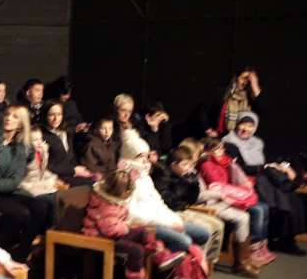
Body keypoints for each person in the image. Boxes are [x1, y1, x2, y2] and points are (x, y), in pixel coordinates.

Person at [115, 94, 210, 254]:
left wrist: (172, 220)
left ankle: (183, 261)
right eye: (141, 157)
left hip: (161, 219)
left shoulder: (144, 177)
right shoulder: (124, 180)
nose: (146, 161)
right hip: (144, 226)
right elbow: (133, 214)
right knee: (185, 241)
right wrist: (167, 223)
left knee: (202, 234)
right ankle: (166, 263)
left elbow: (158, 202)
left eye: (146, 157)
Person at [223, 113, 306, 255]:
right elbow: (239, 168)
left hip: (263, 178)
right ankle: (280, 241)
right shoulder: (229, 143)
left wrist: (281, 166)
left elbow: (267, 160)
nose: (246, 129)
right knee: (283, 199)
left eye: (250, 126)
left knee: (292, 199)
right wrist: (265, 167)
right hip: (246, 182)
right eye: (243, 124)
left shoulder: (257, 143)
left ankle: (287, 240)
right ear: (237, 125)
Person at [0, 106, 51, 262]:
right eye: (7, 114)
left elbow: (15, 181)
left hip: (9, 190)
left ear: (21, 124)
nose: (9, 118)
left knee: (42, 206)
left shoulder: (21, 147)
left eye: (15, 116)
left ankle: (21, 254)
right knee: (21, 214)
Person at [81, 170, 163, 279]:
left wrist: (126, 224)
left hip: (109, 233)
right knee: (136, 250)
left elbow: (117, 223)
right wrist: (126, 226)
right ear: (123, 192)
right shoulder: (108, 206)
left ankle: (159, 254)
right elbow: (110, 230)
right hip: (100, 238)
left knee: (142, 232)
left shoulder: (111, 199)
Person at [200, 137, 274, 267]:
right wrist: (236, 187)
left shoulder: (225, 161)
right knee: (257, 210)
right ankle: (253, 248)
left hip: (232, 195)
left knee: (264, 207)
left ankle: (262, 244)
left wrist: (242, 183)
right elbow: (218, 184)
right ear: (208, 151)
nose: (221, 151)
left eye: (222, 148)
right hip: (220, 200)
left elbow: (233, 179)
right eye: (217, 149)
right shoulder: (207, 164)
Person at [152, 148, 226, 267]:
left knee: (218, 225)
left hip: (185, 209)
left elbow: (191, 200)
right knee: (207, 228)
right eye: (184, 164)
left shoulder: (182, 175)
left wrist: (194, 185)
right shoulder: (163, 177)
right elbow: (168, 202)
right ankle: (197, 264)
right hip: (172, 212)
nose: (188, 168)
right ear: (173, 165)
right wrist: (182, 184)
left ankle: (208, 262)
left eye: (190, 164)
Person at [41, 100, 92, 186]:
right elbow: (47, 165)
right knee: (90, 185)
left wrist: (80, 170)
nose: (56, 119)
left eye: (59, 114)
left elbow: (70, 156)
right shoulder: (41, 135)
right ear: (45, 115)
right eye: (51, 115)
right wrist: (73, 170)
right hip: (55, 177)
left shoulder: (65, 131)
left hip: (71, 172)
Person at [207, 68, 263, 136]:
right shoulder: (224, 92)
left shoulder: (252, 97)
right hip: (223, 136)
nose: (245, 82)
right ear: (236, 78)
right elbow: (205, 111)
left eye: (249, 80)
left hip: (244, 138)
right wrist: (208, 129)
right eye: (243, 78)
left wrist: (255, 86)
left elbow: (264, 111)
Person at [20, 126, 61, 198]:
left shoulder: (41, 151)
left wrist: (45, 153)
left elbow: (43, 169)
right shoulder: (25, 155)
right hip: (28, 183)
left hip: (38, 180)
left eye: (40, 139)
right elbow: (30, 174)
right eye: (35, 140)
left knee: (54, 183)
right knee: (49, 189)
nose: (39, 142)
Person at [83, 117, 118, 181]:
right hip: (97, 178)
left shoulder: (111, 142)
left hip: (110, 175)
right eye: (103, 128)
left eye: (110, 128)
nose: (107, 132)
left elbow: (112, 163)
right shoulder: (92, 144)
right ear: (97, 129)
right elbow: (90, 167)